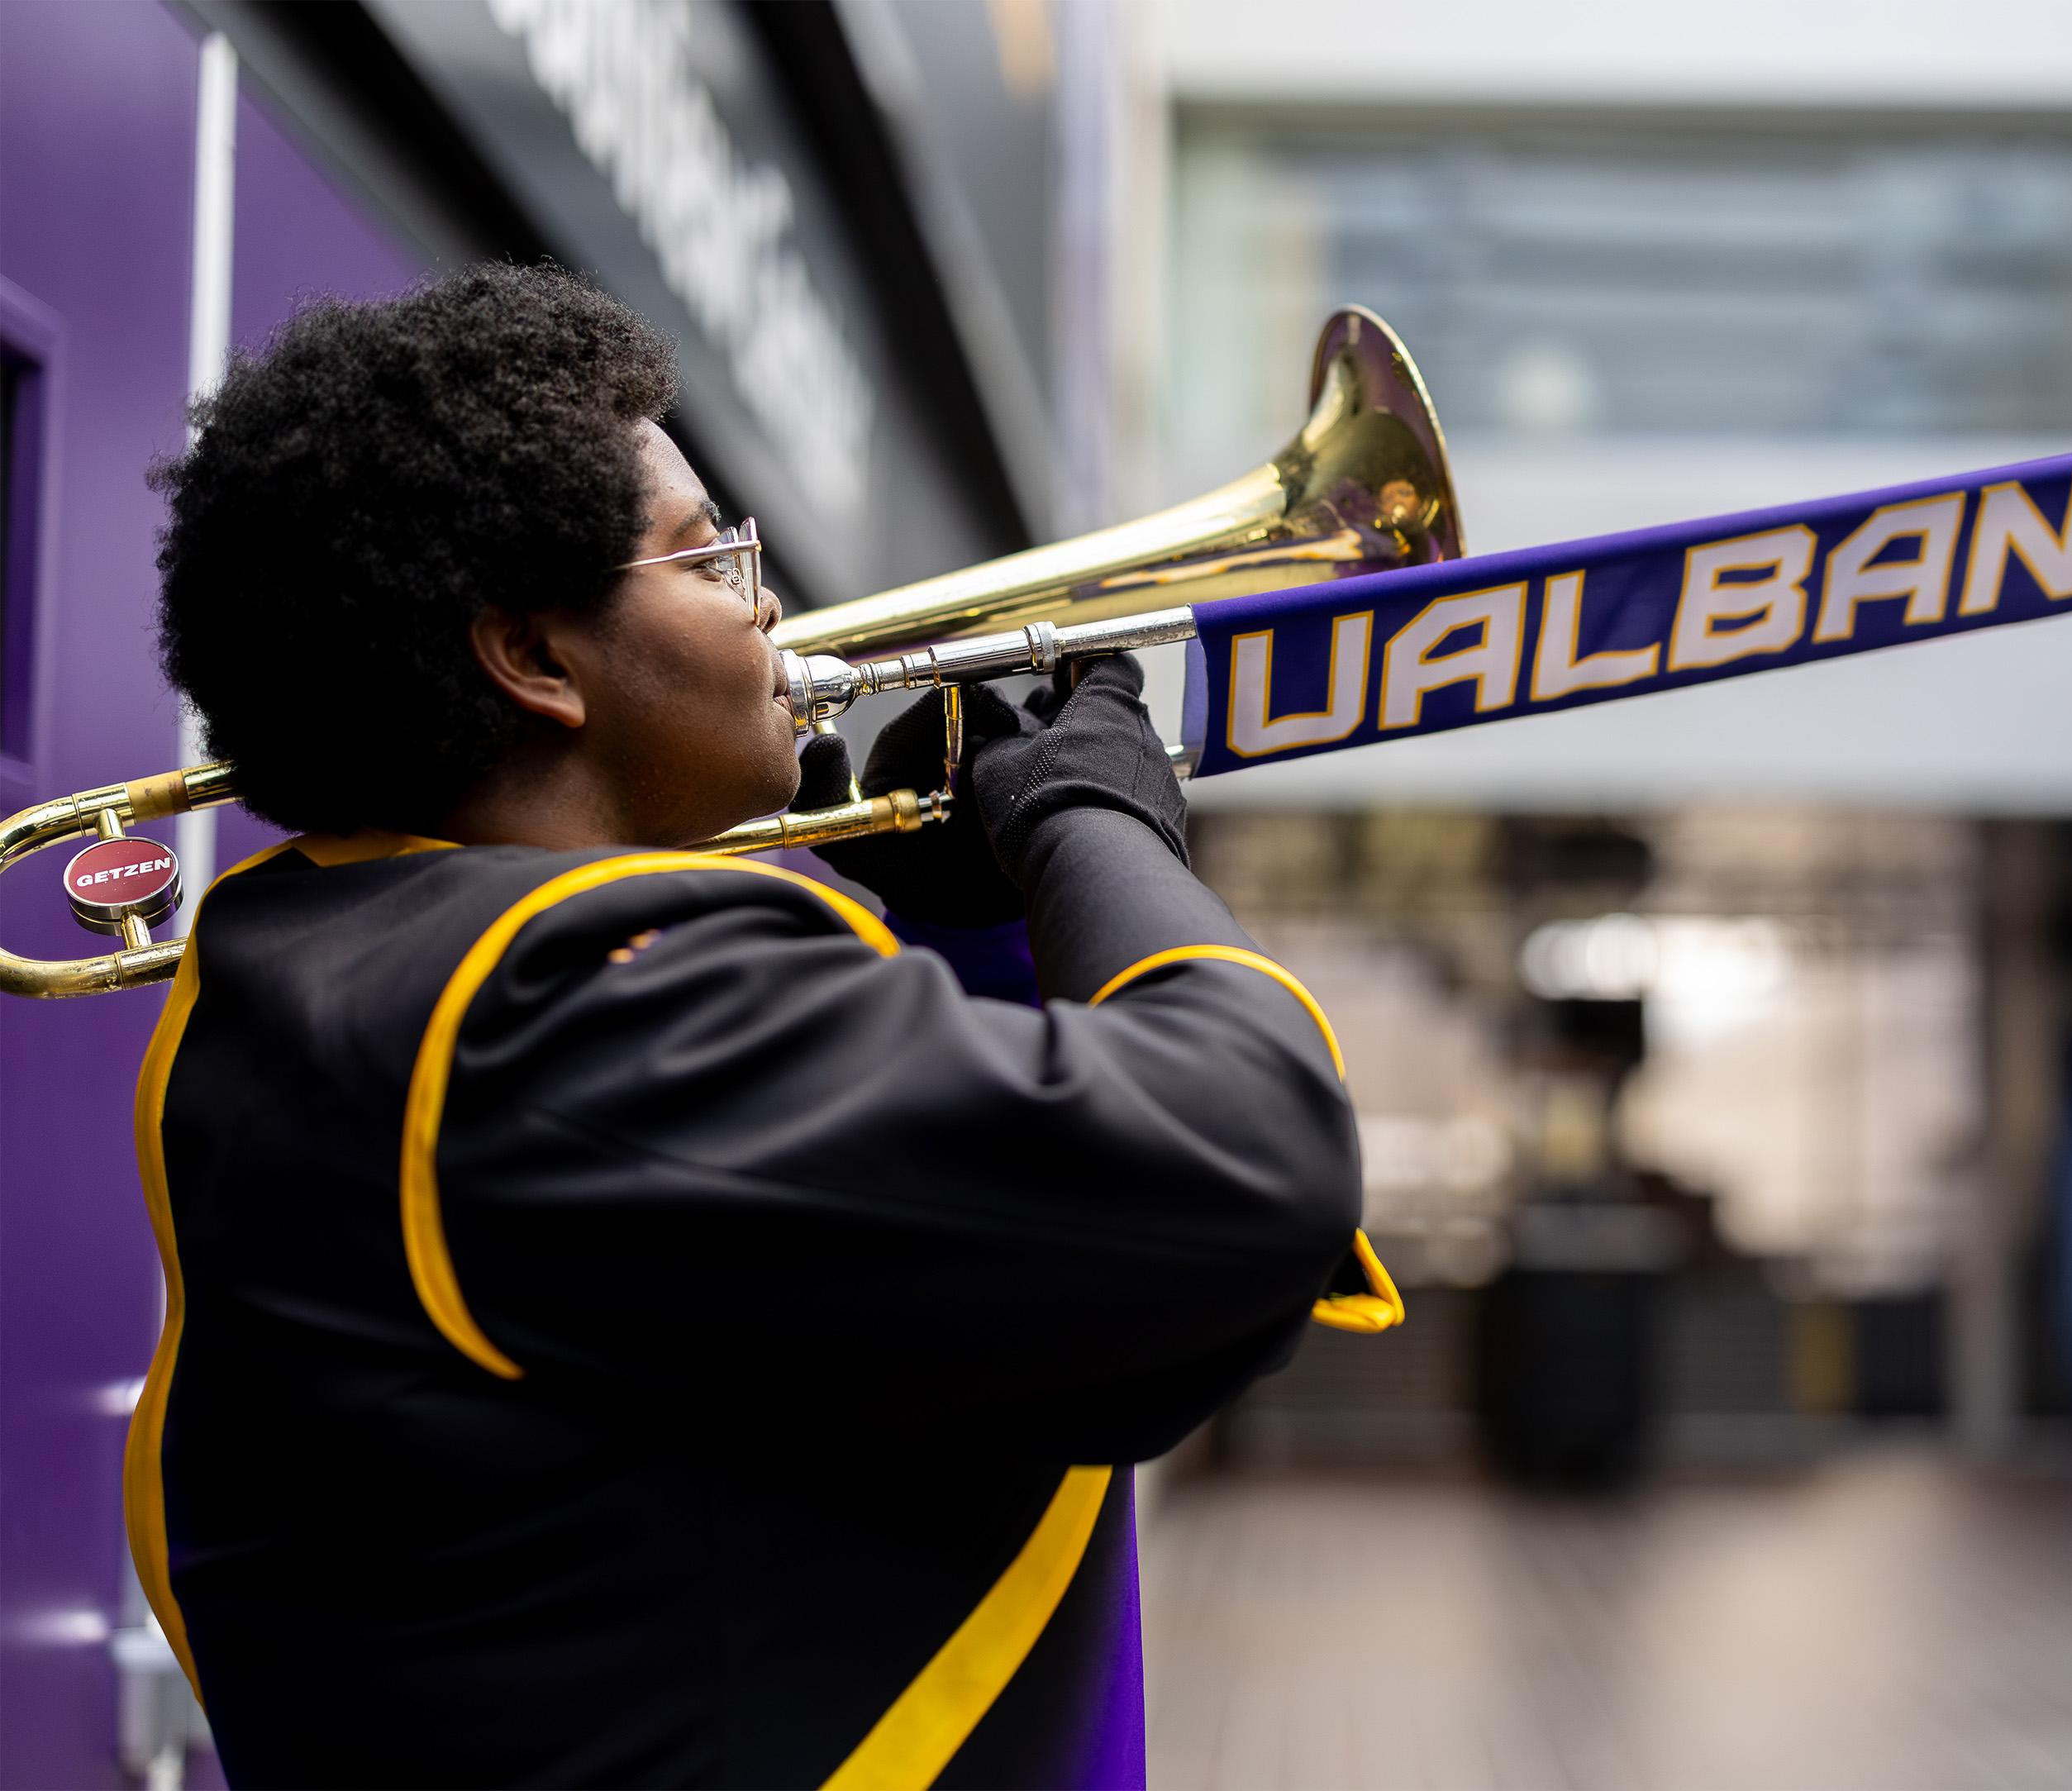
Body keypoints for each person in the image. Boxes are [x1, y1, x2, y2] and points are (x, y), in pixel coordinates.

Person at [136, 263, 1387, 1789]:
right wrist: (1094, 821)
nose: (770, 598)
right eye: (709, 558)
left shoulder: (308, 953)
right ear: (532, 660)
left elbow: (896, 1295)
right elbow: (1238, 1177)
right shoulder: (548, 996)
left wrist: (976, 930)